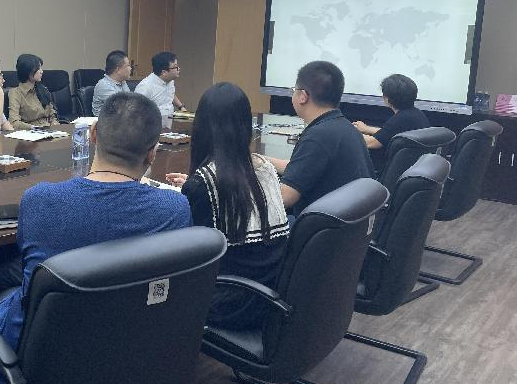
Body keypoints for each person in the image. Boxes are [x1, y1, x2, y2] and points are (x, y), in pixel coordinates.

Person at [0, 91, 192, 384]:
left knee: (3, 298)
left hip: (36, 373)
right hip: (129, 365)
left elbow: (26, 264)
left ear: (91, 135)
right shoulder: (175, 209)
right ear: (153, 153)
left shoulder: (40, 200)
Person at [166, 83, 289, 330]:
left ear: (202, 127)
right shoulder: (265, 168)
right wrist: (193, 185)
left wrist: (193, 189)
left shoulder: (204, 184)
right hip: (273, 293)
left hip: (232, 303)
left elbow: (194, 258)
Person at [266, 61, 374, 218]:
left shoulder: (318, 136)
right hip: (349, 226)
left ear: (303, 97)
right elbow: (301, 169)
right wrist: (261, 160)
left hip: (320, 228)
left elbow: (284, 198)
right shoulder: (343, 127)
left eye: (294, 90)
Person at [353, 73, 430, 170]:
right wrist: (366, 129)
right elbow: (390, 133)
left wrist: (348, 131)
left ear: (387, 99)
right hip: (413, 169)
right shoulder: (416, 114)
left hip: (391, 171)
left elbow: (371, 143)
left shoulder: (401, 119)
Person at [7, 54, 58, 130]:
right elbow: (14, 122)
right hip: (32, 132)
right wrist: (35, 128)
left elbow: (52, 113)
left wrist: (54, 123)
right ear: (28, 71)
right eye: (38, 69)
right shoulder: (15, 93)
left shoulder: (43, 89)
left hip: (50, 129)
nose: (42, 71)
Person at [134, 51, 186, 116]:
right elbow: (136, 111)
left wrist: (181, 107)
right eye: (175, 67)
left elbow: (170, 94)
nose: (179, 69)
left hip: (170, 119)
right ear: (164, 72)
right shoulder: (145, 86)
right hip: (153, 121)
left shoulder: (170, 80)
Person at [92, 50, 132, 117]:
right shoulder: (104, 85)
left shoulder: (122, 81)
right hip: (105, 122)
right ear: (118, 69)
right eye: (128, 65)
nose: (130, 68)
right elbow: (122, 109)